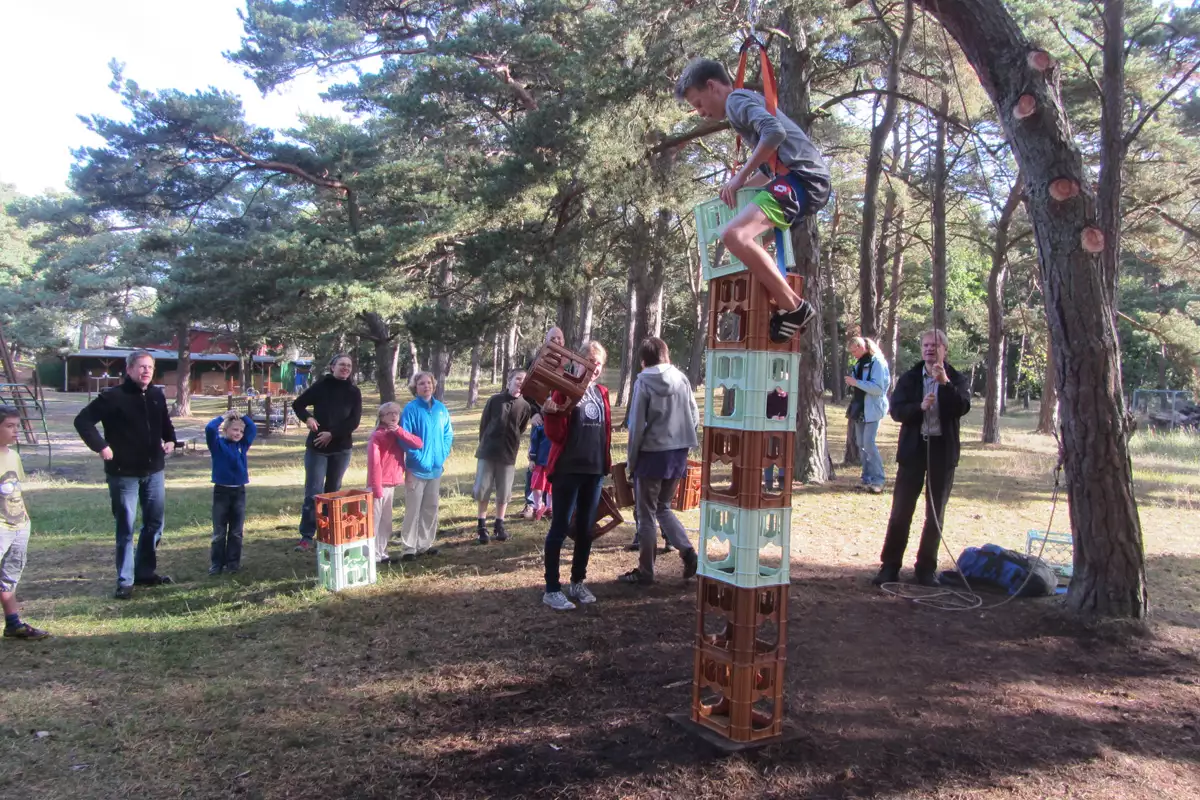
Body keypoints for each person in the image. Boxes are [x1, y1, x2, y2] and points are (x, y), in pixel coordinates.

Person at [675, 58, 832, 343]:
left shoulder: (736, 101)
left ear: (712, 86)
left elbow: (774, 133)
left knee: (734, 235)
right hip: (800, 179)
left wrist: (738, 179)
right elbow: (769, 166)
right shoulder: (742, 105)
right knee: (753, 243)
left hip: (802, 179)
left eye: (699, 103)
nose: (700, 112)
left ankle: (794, 308)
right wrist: (742, 184)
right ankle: (782, 304)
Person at [74, 349, 178, 600]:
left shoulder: (156, 394)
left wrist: (171, 441)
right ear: (129, 369)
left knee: (154, 524)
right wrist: (101, 446)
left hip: (154, 471)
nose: (146, 371)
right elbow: (83, 421)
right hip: (124, 474)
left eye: (150, 367)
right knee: (126, 528)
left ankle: (145, 572)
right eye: (141, 367)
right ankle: (125, 581)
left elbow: (165, 424)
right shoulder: (113, 397)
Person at [873, 329, 971, 587]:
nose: (929, 349)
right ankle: (890, 566)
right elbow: (896, 411)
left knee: (935, 513)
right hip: (913, 452)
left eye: (935, 345)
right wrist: (920, 408)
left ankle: (926, 569)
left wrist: (945, 384)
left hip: (942, 453)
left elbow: (961, 407)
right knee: (901, 512)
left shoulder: (957, 379)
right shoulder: (910, 378)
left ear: (944, 350)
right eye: (926, 345)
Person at [618, 338, 700, 586]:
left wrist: (631, 463)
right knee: (663, 507)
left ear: (643, 361)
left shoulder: (643, 382)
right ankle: (687, 551)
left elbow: (637, 427)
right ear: (667, 355)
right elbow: (694, 415)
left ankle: (646, 571)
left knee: (646, 514)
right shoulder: (682, 378)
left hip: (651, 454)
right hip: (677, 454)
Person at [541, 340, 612, 610]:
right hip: (568, 469)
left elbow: (604, 433)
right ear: (580, 361)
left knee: (585, 529)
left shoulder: (602, 393)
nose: (594, 368)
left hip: (593, 471)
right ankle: (551, 589)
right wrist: (550, 415)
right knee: (559, 527)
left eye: (599, 364)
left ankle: (578, 581)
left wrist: (605, 464)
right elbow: (555, 434)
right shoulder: (565, 389)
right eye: (590, 362)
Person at [292, 354, 362, 552]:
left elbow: (354, 422)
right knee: (313, 493)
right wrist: (308, 419)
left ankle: (329, 532)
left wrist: (331, 434)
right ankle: (306, 536)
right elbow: (298, 404)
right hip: (317, 448)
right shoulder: (322, 385)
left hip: (341, 449)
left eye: (349, 365)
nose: (345, 368)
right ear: (332, 367)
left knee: (332, 492)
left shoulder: (354, 392)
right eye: (342, 364)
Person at [0, 406, 49, 639]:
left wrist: (24, 521)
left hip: (18, 525)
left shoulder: (13, 455)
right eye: (9, 426)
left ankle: (13, 624)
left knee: (9, 576)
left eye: (17, 426)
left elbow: (14, 490)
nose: (15, 431)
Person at [399, 372, 454, 562]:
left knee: (430, 507)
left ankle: (424, 544)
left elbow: (448, 434)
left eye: (429, 383)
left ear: (434, 385)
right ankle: (408, 548)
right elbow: (404, 437)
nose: (426, 386)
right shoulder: (410, 409)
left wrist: (442, 455)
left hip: (436, 468)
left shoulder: (440, 409)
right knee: (413, 509)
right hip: (416, 468)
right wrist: (417, 457)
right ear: (415, 387)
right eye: (421, 383)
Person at [474, 370, 533, 544]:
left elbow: (520, 429)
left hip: (508, 455)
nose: (520, 383)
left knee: (504, 492)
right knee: (483, 489)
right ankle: (481, 526)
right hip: (488, 452)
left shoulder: (525, 406)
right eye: (517, 379)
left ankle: (499, 525)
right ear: (509, 381)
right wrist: (485, 444)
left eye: (523, 380)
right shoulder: (494, 400)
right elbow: (484, 424)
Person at [366, 402, 424, 564]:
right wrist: (376, 487)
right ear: (382, 417)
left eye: (396, 413)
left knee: (386, 522)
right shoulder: (377, 436)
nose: (393, 416)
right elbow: (374, 464)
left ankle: (381, 553)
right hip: (378, 484)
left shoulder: (398, 433)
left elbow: (418, 443)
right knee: (374, 520)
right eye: (389, 413)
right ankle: (370, 554)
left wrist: (399, 430)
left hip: (391, 483)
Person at [204, 410, 258, 575]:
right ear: (225, 430)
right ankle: (216, 564)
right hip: (221, 492)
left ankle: (233, 563)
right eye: (235, 430)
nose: (239, 434)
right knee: (219, 531)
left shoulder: (242, 445)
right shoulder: (217, 445)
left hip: (239, 492)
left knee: (236, 531)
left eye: (241, 431)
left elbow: (252, 428)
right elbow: (209, 428)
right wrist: (223, 417)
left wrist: (243, 417)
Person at [521, 326, 566, 519]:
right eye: (552, 338)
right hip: (540, 417)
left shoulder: (569, 362)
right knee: (536, 462)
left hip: (561, 417)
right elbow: (525, 390)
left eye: (559, 339)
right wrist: (532, 413)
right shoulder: (535, 362)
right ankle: (530, 503)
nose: (556, 342)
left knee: (557, 461)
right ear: (545, 341)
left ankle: (553, 504)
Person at [844, 337, 891, 494]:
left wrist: (856, 383)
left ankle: (879, 480)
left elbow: (878, 388)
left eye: (854, 351)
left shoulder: (877, 362)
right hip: (860, 408)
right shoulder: (859, 363)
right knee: (861, 445)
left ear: (861, 347)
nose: (853, 355)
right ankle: (867, 479)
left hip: (873, 409)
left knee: (869, 444)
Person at [763, 388, 789, 490]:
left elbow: (796, 415)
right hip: (770, 431)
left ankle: (782, 481)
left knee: (783, 455)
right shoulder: (770, 398)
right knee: (769, 454)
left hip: (785, 432)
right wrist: (771, 417)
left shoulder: (790, 398)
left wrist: (785, 418)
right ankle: (768, 481)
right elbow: (764, 414)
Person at [526, 418, 553, 520]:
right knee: (537, 485)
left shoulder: (559, 428)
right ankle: (538, 507)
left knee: (552, 487)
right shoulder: (540, 428)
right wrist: (532, 459)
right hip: (540, 462)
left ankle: (550, 508)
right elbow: (534, 444)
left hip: (554, 463)